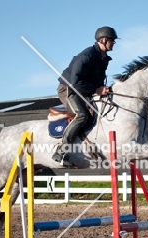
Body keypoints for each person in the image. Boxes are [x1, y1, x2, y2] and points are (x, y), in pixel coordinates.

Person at [52, 26, 118, 166]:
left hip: (84, 90)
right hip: (69, 89)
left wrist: (104, 89)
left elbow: (97, 81)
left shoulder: (103, 58)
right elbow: (76, 82)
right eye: (112, 40)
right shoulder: (87, 56)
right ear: (103, 40)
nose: (114, 43)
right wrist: (97, 90)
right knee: (82, 115)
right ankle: (61, 150)